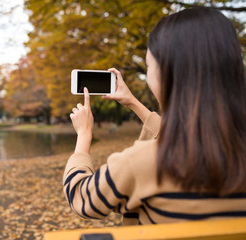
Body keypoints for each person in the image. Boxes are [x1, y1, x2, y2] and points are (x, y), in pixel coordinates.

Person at [63, 7, 246, 225]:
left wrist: (84, 135)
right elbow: (192, 136)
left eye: (149, 66)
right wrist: (133, 102)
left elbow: (80, 197)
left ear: (167, 75)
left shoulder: (143, 163)